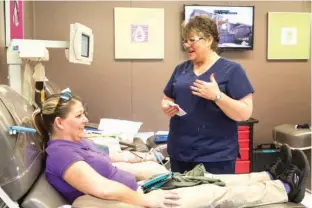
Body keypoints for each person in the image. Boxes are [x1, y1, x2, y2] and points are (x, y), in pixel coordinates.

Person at [34, 91, 309, 208]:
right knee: (215, 192)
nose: (85, 120)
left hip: (148, 188)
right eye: (79, 116)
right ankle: (286, 188)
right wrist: (146, 200)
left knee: (208, 177)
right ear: (59, 122)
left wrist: (145, 161)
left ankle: (270, 175)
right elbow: (103, 190)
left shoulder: (76, 142)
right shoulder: (62, 155)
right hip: (143, 200)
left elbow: (112, 159)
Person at [161, 14, 254, 174]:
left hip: (216, 156)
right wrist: (166, 106)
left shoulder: (232, 70)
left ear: (209, 39)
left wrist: (217, 96)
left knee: (211, 199)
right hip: (180, 152)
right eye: (185, 41)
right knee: (181, 198)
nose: (186, 45)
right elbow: (167, 97)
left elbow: (245, 113)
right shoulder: (180, 69)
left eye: (192, 40)